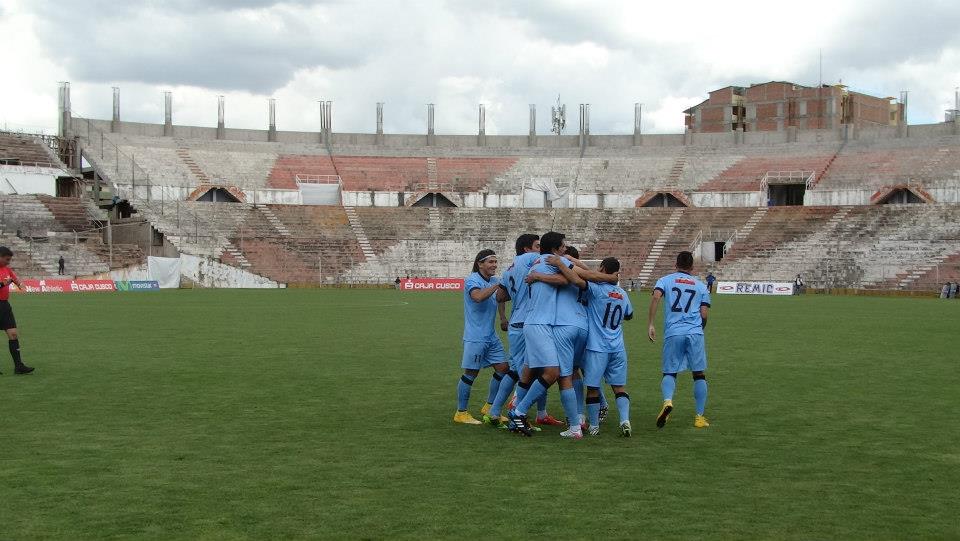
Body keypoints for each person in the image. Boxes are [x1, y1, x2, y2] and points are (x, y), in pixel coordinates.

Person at [483, 233, 562, 428]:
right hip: (529, 322)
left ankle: (501, 412)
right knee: (527, 372)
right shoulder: (531, 259)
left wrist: (503, 316)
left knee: (524, 370)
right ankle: (514, 414)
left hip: (517, 323)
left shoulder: (510, 268)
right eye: (537, 246)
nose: (540, 250)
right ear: (527, 249)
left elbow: (500, 296)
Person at [554, 255, 634, 437]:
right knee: (619, 387)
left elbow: (576, 279)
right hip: (618, 347)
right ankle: (625, 420)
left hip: (598, 347)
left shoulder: (597, 289)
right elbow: (629, 315)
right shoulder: (623, 294)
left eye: (600, 268)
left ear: (604, 269)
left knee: (592, 388)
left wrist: (562, 263)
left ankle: (594, 426)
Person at [648, 251, 710, 429]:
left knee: (669, 372)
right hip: (695, 333)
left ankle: (668, 401)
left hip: (674, 332)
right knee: (699, 374)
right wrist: (698, 329)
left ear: (676, 264)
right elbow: (704, 313)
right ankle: (699, 417)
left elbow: (656, 297)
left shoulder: (665, 280)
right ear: (692, 267)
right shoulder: (701, 286)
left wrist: (651, 324)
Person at [454, 249, 509, 424]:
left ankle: (490, 406)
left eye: (495, 262)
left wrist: (502, 317)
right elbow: (478, 297)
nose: (494, 265)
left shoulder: (494, 281)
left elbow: (500, 299)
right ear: (480, 264)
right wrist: (496, 286)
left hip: (491, 336)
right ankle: (461, 413)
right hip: (476, 336)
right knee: (471, 373)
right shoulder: (472, 280)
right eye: (490, 262)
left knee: (504, 369)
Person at [0, 247, 34, 375]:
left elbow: (15, 279)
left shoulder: (7, 269)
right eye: (7, 259)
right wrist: (3, 284)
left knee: (13, 334)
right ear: (0, 256)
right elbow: (4, 283)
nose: (8, 262)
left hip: (4, 306)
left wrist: (21, 285)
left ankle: (18, 366)